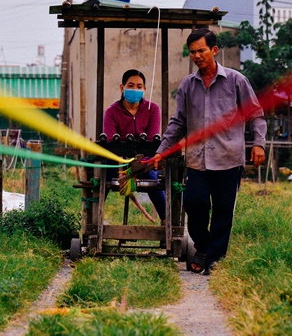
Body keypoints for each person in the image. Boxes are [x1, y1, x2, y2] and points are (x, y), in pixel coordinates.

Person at [151, 28, 266, 274]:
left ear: (214, 50)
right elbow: (178, 123)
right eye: (192, 52)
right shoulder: (187, 85)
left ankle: (213, 260)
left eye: (201, 50)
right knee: (195, 203)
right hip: (197, 160)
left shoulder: (236, 81)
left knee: (224, 211)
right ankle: (202, 248)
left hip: (228, 158)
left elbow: (255, 114)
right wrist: (162, 151)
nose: (196, 56)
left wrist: (258, 143)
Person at [103, 69, 166, 222]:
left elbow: (152, 139)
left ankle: (166, 221)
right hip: (117, 163)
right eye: (130, 85)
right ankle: (94, 220)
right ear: (122, 87)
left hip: (144, 162)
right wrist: (123, 166)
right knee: (102, 179)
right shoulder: (111, 112)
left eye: (139, 86)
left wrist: (140, 161)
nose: (135, 89)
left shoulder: (153, 110)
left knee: (152, 179)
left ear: (144, 89)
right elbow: (111, 141)